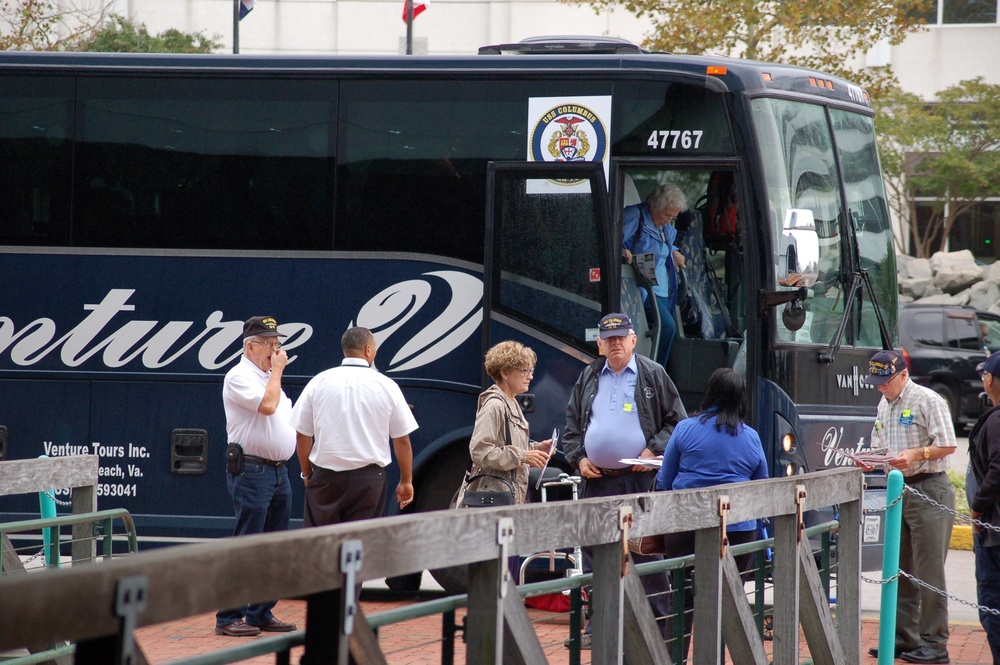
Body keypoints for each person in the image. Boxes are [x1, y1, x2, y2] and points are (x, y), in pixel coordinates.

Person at [563, 312, 687, 649]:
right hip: (597, 482)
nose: (615, 343)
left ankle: (658, 627)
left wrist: (652, 450)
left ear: (633, 340)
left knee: (647, 554)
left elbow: (678, 423)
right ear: (600, 344)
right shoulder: (588, 376)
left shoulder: (653, 374)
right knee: (597, 553)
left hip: (640, 482)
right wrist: (580, 458)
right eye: (609, 338)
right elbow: (572, 428)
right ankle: (601, 627)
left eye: (621, 337)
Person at [654, 367, 769, 662]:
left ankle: (672, 658)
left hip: (685, 526)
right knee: (729, 598)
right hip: (738, 530)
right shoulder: (752, 438)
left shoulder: (684, 429)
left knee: (681, 598)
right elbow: (763, 488)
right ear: (740, 399)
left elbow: (665, 481)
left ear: (710, 393)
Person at [863, 349, 956, 665]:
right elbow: (880, 443)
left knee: (929, 572)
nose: (881, 387)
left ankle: (934, 642)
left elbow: (948, 443)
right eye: (877, 382)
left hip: (928, 486)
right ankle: (904, 637)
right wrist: (870, 459)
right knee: (899, 568)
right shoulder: (884, 404)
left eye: (885, 381)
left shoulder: (927, 400)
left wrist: (917, 454)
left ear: (903, 375)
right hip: (898, 487)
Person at [215, 316, 297, 637]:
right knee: (247, 544)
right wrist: (277, 371)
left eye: (278, 345)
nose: (277, 351)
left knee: (273, 546)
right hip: (252, 471)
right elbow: (267, 407)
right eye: (270, 345)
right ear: (251, 346)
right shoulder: (239, 377)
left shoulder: (265, 376)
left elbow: (284, 416)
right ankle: (228, 616)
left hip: (278, 472)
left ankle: (260, 612)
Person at [291, 326, 418, 528]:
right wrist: (406, 480)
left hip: (325, 479)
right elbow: (402, 439)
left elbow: (302, 435)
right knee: (360, 546)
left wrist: (307, 474)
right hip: (369, 481)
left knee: (320, 545)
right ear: (368, 350)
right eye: (374, 347)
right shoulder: (387, 385)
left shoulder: (319, 382)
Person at [457, 340, 552, 508]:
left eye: (531, 370)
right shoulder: (494, 405)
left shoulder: (511, 401)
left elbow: (506, 447)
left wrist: (534, 450)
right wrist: (523, 456)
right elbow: (480, 451)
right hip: (494, 500)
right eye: (524, 370)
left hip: (506, 497)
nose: (530, 376)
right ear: (505, 372)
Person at [621, 183, 688, 366]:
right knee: (667, 327)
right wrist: (622, 251)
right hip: (642, 287)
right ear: (655, 206)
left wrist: (673, 250)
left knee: (661, 332)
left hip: (663, 289)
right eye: (667, 215)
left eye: (673, 217)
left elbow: (663, 243)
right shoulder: (635, 216)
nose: (669, 220)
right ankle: (654, 374)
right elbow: (610, 239)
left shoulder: (663, 224)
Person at [968, 350, 1000, 664]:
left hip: (995, 534)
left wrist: (977, 509)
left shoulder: (996, 420)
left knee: (993, 609)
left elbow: (997, 469)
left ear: (989, 379)